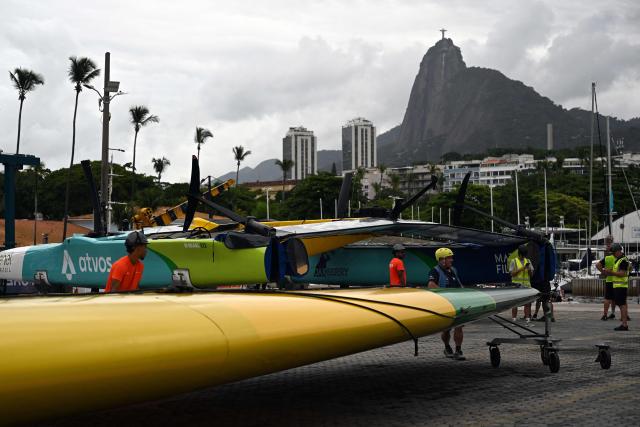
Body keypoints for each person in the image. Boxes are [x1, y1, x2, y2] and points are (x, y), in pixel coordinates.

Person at [428, 247, 465, 361]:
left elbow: (459, 285)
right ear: (442, 259)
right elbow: (431, 285)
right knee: (446, 330)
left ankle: (458, 350)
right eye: (449, 258)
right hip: (445, 305)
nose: (451, 260)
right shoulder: (434, 271)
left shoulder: (453, 270)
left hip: (457, 304)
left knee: (459, 327)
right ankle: (447, 347)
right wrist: (445, 295)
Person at [602, 243, 630, 331]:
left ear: (618, 251)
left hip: (621, 286)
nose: (613, 254)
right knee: (622, 304)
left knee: (622, 305)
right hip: (618, 286)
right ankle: (624, 323)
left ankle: (624, 324)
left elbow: (622, 273)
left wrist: (610, 272)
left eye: (614, 252)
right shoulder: (619, 260)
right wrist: (610, 271)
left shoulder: (623, 260)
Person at [510, 244, 534, 324]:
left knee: (527, 303)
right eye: (522, 254)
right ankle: (514, 319)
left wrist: (530, 270)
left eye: (524, 255)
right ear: (519, 253)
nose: (523, 256)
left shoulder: (528, 261)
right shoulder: (514, 261)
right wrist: (522, 268)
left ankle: (527, 319)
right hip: (516, 285)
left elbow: (531, 275)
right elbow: (512, 274)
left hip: (526, 285)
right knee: (515, 303)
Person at [596, 237, 616, 320]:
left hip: (609, 280)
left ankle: (605, 314)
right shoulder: (619, 258)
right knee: (619, 298)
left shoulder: (607, 258)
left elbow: (597, 265)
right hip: (619, 280)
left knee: (608, 298)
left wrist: (603, 272)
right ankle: (614, 313)